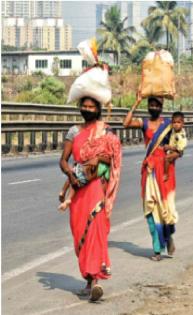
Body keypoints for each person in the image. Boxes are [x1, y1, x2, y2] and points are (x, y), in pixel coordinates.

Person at [59, 96, 121, 301]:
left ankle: (95, 281)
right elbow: (63, 161)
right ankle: (87, 277)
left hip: (95, 187)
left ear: (98, 109)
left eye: (91, 107)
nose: (87, 109)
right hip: (78, 189)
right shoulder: (74, 131)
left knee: (95, 230)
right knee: (79, 234)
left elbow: (110, 156)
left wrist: (98, 158)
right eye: (84, 106)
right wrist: (71, 176)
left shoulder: (106, 131)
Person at [123, 95, 178, 261]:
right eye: (151, 105)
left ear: (161, 106)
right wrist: (137, 102)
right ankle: (157, 248)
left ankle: (168, 237)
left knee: (165, 208)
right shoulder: (144, 123)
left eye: (157, 105)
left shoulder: (168, 124)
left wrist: (173, 155)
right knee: (150, 208)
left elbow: (180, 146)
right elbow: (125, 123)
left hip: (166, 169)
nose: (153, 107)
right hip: (149, 170)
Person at [164, 111, 187, 182]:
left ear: (183, 123)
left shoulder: (181, 136)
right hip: (173, 147)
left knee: (167, 158)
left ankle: (165, 174)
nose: (176, 124)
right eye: (174, 122)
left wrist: (170, 147)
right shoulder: (174, 130)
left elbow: (180, 148)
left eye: (178, 122)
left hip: (178, 151)